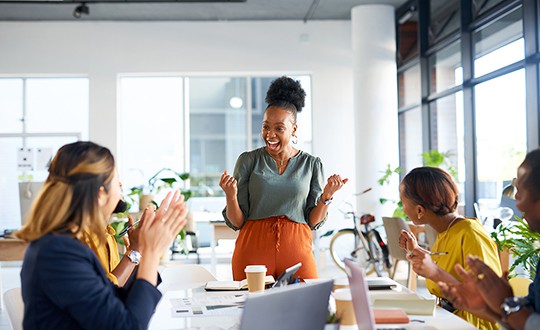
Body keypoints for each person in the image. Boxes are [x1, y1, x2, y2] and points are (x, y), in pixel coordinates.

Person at [16, 141, 187, 329]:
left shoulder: (65, 245)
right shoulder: (57, 253)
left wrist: (143, 251)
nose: (121, 187)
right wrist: (151, 253)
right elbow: (127, 326)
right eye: (117, 182)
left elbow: (114, 301)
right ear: (100, 194)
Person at [220, 76, 347, 281]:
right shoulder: (248, 160)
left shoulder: (312, 164)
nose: (270, 134)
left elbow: (313, 221)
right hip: (253, 252)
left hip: (297, 251)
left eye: (279, 128)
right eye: (265, 127)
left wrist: (327, 196)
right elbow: (237, 222)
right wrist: (230, 196)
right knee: (253, 311)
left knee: (306, 308)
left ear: (293, 129)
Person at [438, 149, 540, 330]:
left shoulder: (468, 230)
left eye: (521, 191)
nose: (517, 200)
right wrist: (485, 306)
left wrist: (504, 303)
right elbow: (529, 316)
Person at [398, 166, 502, 330]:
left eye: (403, 203)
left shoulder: (470, 234)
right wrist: (417, 251)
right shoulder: (447, 231)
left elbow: (490, 305)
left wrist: (433, 271)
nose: (403, 209)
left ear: (419, 210)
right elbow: (449, 266)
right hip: (447, 319)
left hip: (471, 325)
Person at [83, 199, 141, 286]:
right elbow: (101, 294)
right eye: (119, 185)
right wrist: (134, 252)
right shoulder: (81, 237)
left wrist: (134, 259)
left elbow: (119, 286)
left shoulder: (109, 235)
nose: (121, 188)